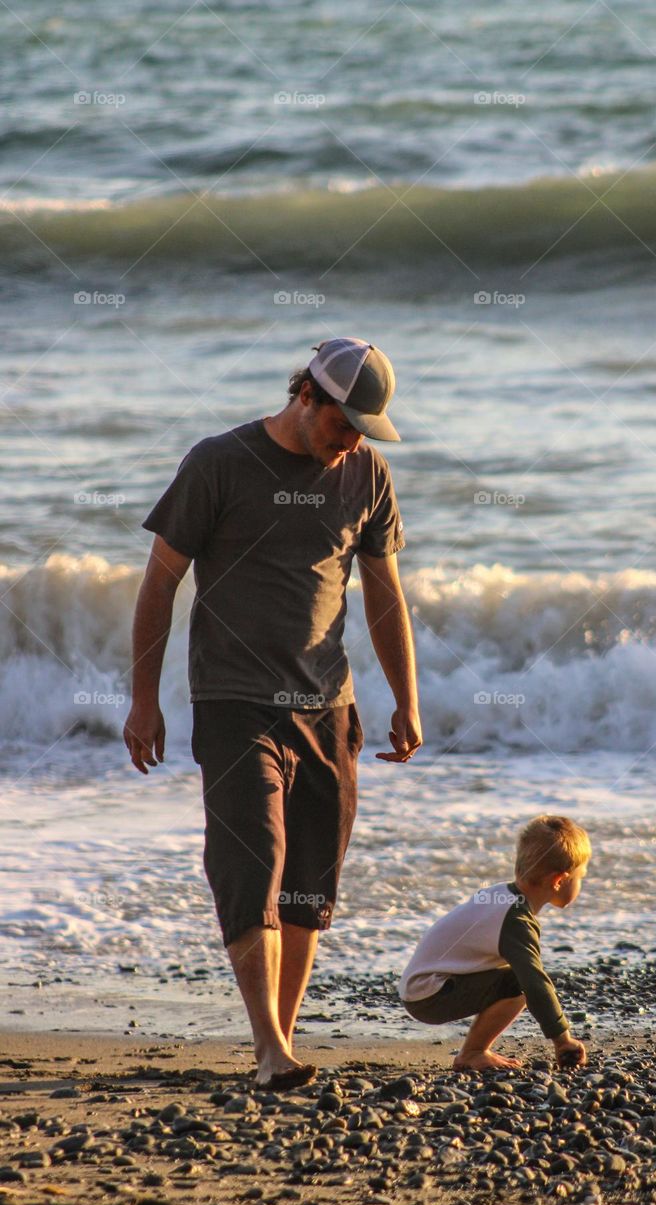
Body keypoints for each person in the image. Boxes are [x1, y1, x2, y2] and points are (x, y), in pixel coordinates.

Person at [123, 337, 422, 1090]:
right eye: (341, 424)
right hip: (233, 704)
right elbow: (159, 584)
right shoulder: (217, 463)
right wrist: (142, 698)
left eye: (361, 430)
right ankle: (269, 1049)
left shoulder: (366, 474)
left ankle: (278, 1040)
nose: (348, 441)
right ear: (307, 397)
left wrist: (405, 699)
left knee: (308, 889)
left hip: (329, 706)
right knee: (250, 862)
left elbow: (385, 596)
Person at [399, 815, 590, 1072]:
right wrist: (562, 1039)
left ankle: (474, 1050)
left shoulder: (503, 896)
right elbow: (535, 983)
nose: (581, 884)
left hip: (421, 986)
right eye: (581, 877)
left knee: (517, 979)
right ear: (558, 880)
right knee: (520, 984)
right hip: (428, 995)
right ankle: (473, 1053)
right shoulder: (515, 920)